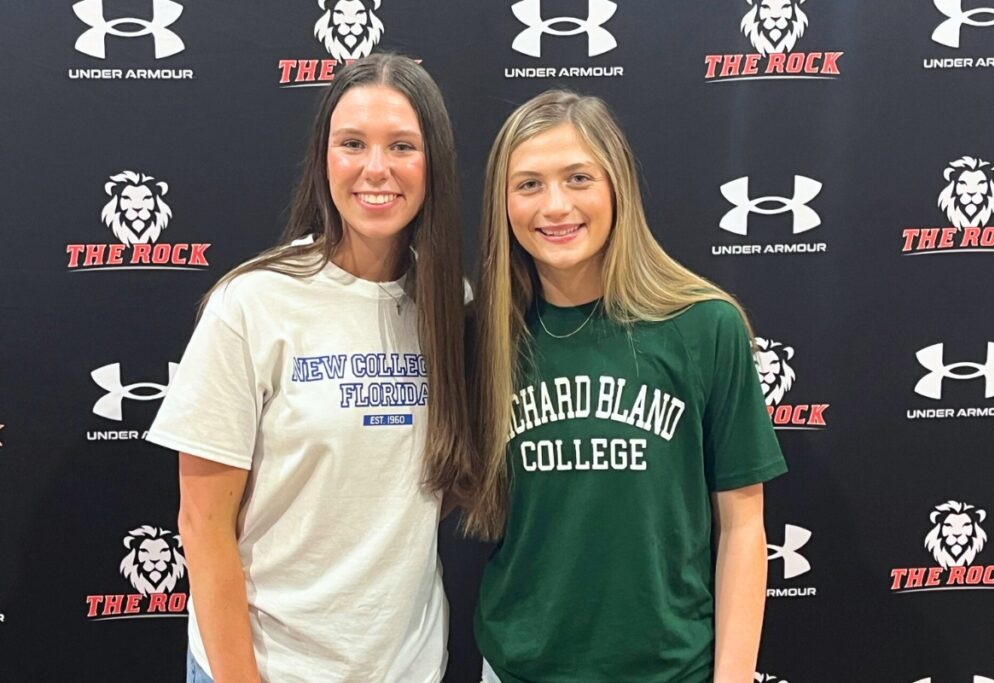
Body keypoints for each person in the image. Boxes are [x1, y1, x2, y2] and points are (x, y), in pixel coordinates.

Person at [146, 53, 473, 683]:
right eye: (352, 143)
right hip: (267, 669)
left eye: (401, 145)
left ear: (434, 164)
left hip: (406, 669)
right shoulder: (253, 302)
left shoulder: (448, 307)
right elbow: (202, 524)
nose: (376, 168)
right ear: (324, 159)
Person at [464, 90, 787, 683]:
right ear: (502, 203)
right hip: (520, 667)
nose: (555, 206)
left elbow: (743, 526)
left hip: (671, 669)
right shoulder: (482, 335)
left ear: (617, 186)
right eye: (528, 184)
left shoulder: (703, 324)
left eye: (578, 177)